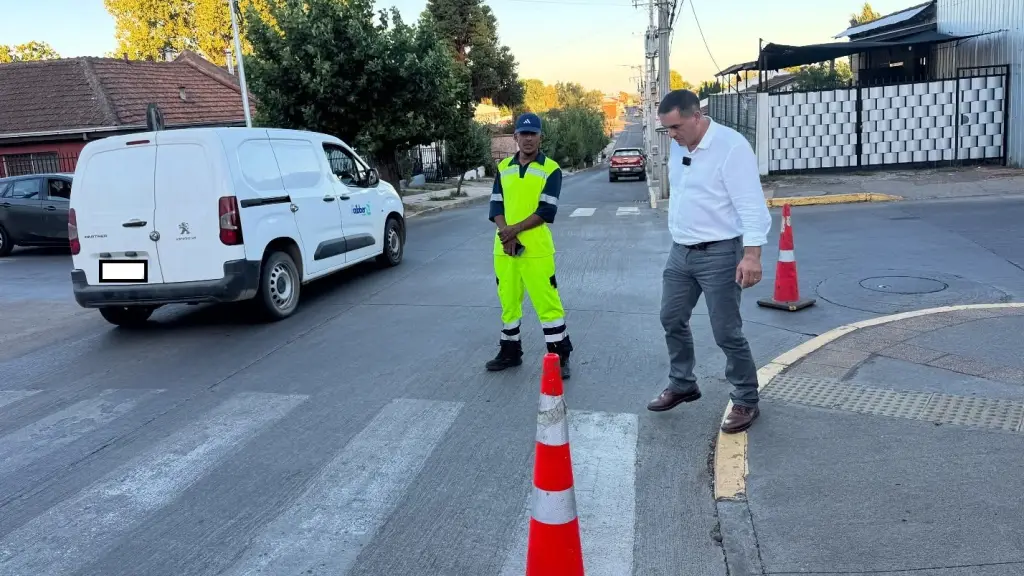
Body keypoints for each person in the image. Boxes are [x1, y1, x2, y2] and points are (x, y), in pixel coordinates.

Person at [646, 89, 772, 434]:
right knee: (671, 318)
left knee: (726, 332)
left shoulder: (731, 148)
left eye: (675, 127)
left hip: (719, 253)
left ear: (696, 117)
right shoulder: (678, 145)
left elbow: (751, 205)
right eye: (667, 129)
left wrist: (752, 254)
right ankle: (683, 383)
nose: (671, 135)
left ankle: (746, 399)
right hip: (681, 251)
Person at [485, 112, 573, 379]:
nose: (528, 139)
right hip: (505, 248)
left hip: (536, 250)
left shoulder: (551, 169)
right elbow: (496, 205)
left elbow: (546, 210)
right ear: (515, 137)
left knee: (547, 304)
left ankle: (559, 355)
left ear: (540, 137)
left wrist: (515, 230)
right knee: (508, 302)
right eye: (523, 134)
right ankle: (510, 351)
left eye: (533, 133)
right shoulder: (503, 169)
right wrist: (506, 233)